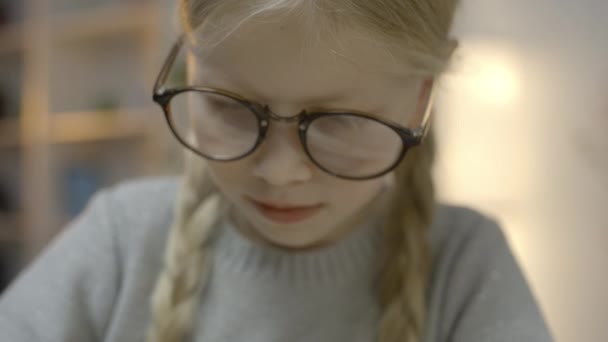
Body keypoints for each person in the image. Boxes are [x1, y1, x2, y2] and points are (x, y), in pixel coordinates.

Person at [0, 0, 553, 341]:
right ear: (187, 61)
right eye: (229, 106)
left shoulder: (465, 265)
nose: (280, 173)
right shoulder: (120, 238)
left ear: (420, 102)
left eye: (340, 120)